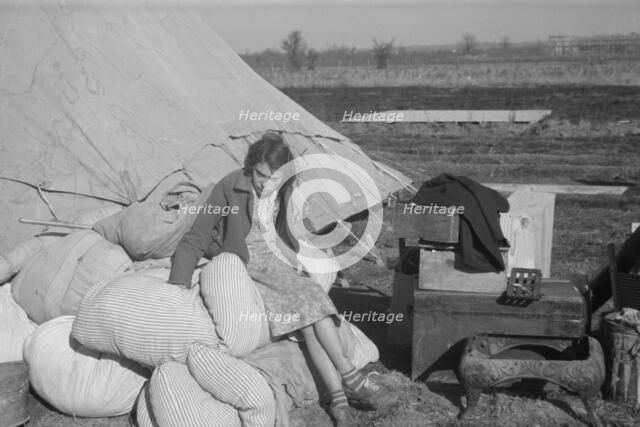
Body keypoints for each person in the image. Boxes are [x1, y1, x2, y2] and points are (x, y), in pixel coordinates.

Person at [169, 132, 390, 426]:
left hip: (281, 266)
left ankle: (339, 401)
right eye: (260, 175)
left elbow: (293, 231)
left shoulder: (285, 189)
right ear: (250, 167)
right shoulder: (230, 186)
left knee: (311, 321)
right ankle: (350, 375)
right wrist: (178, 285)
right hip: (250, 267)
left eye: (273, 178)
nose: (265, 183)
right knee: (312, 300)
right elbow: (195, 238)